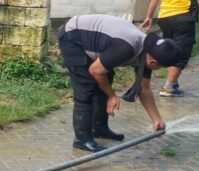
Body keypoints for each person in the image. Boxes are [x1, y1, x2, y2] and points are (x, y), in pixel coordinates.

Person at [58, 14, 182, 153]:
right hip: (73, 37)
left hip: (99, 40)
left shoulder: (149, 48)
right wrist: (112, 96)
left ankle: (99, 129)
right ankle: (82, 139)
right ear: (153, 62)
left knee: (105, 79)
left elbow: (144, 89)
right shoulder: (126, 48)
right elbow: (95, 70)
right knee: (86, 88)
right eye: (161, 67)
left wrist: (156, 119)